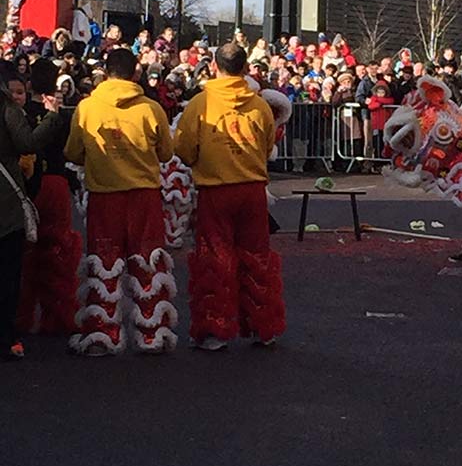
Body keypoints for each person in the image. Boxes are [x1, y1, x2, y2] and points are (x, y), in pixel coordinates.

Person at [65, 48, 177, 356]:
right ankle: (152, 334)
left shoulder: (87, 108)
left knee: (104, 264)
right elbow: (166, 153)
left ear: (105, 71)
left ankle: (102, 335)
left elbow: (73, 152)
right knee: (148, 264)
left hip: (105, 195)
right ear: (136, 73)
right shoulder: (151, 109)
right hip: (144, 196)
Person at [174, 42, 285, 351]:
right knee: (257, 256)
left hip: (215, 190)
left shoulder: (200, 103)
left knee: (215, 257)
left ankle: (215, 330)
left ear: (214, 66)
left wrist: (201, 159)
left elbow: (182, 148)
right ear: (246, 67)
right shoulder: (259, 105)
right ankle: (264, 328)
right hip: (252, 190)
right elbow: (266, 147)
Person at [0, 62, 63, 361]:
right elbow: (28, 143)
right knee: (9, 272)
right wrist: (52, 117)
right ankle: (8, 336)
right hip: (5, 203)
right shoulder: (7, 108)